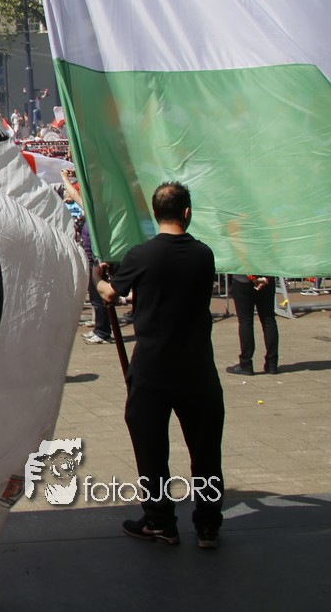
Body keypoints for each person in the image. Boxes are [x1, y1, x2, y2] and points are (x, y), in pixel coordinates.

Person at [95, 181, 223, 549]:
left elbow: (111, 293)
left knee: (151, 449)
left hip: (153, 368)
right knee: (206, 452)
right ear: (187, 212)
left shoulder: (142, 255)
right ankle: (208, 525)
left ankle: (160, 520)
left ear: (155, 213)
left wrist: (98, 277)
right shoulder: (204, 255)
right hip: (197, 367)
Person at [227, 274, 279, 375]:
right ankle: (272, 363)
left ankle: (246, 363)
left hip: (243, 280)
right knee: (268, 320)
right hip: (266, 277)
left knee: (246, 322)